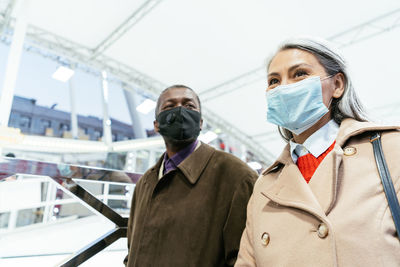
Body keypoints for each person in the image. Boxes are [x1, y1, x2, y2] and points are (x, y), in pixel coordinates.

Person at [236, 37, 400, 266]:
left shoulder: (390, 150)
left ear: (337, 85)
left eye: (299, 73)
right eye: (274, 80)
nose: (283, 87)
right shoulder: (265, 185)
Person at [125, 85, 257, 267]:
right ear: (156, 125)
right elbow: (132, 248)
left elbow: (244, 259)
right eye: (169, 106)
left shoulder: (236, 177)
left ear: (200, 122)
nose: (180, 111)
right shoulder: (146, 182)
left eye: (189, 106)